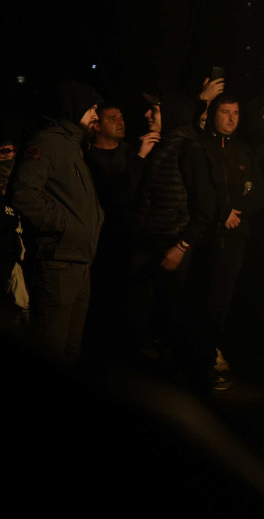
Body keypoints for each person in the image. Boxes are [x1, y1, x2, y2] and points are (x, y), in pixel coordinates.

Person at [8, 80, 104, 364]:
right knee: (50, 348)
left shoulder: (73, 145)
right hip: (58, 261)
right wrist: (65, 227)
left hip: (79, 261)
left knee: (70, 351)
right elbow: (22, 194)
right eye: (90, 108)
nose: (96, 114)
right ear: (74, 108)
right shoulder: (46, 143)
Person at [129, 91, 217, 387]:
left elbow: (206, 207)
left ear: (172, 115)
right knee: (145, 309)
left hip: (174, 241)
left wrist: (182, 246)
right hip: (151, 240)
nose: (147, 115)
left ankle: (179, 384)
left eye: (154, 110)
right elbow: (145, 196)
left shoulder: (189, 149)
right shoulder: (163, 145)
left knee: (175, 314)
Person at [198, 94, 264, 384]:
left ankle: (211, 354)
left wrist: (238, 212)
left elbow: (259, 191)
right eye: (225, 112)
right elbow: (201, 189)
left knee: (222, 300)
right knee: (202, 298)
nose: (231, 118)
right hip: (205, 236)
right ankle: (199, 359)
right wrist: (221, 212)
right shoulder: (202, 148)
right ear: (213, 114)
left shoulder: (244, 152)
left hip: (236, 237)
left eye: (235, 113)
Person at [83, 103, 156, 361]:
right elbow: (114, 194)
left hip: (133, 237)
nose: (120, 122)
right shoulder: (88, 157)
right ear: (97, 125)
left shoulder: (129, 151)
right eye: (113, 118)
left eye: (122, 117)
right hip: (102, 238)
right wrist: (139, 159)